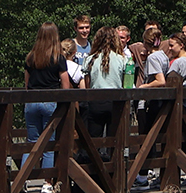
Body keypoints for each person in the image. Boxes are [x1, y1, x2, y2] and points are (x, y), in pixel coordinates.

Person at [22, 22, 73, 184]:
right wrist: (65, 101)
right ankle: (47, 181)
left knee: (31, 142)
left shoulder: (31, 57)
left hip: (32, 102)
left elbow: (27, 83)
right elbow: (65, 82)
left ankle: (22, 180)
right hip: (50, 102)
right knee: (49, 144)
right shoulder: (58, 58)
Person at [79, 26, 131, 155]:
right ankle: (114, 171)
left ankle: (95, 171)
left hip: (96, 102)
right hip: (116, 103)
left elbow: (87, 85)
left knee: (94, 141)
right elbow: (127, 84)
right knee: (115, 141)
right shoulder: (123, 59)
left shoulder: (89, 59)